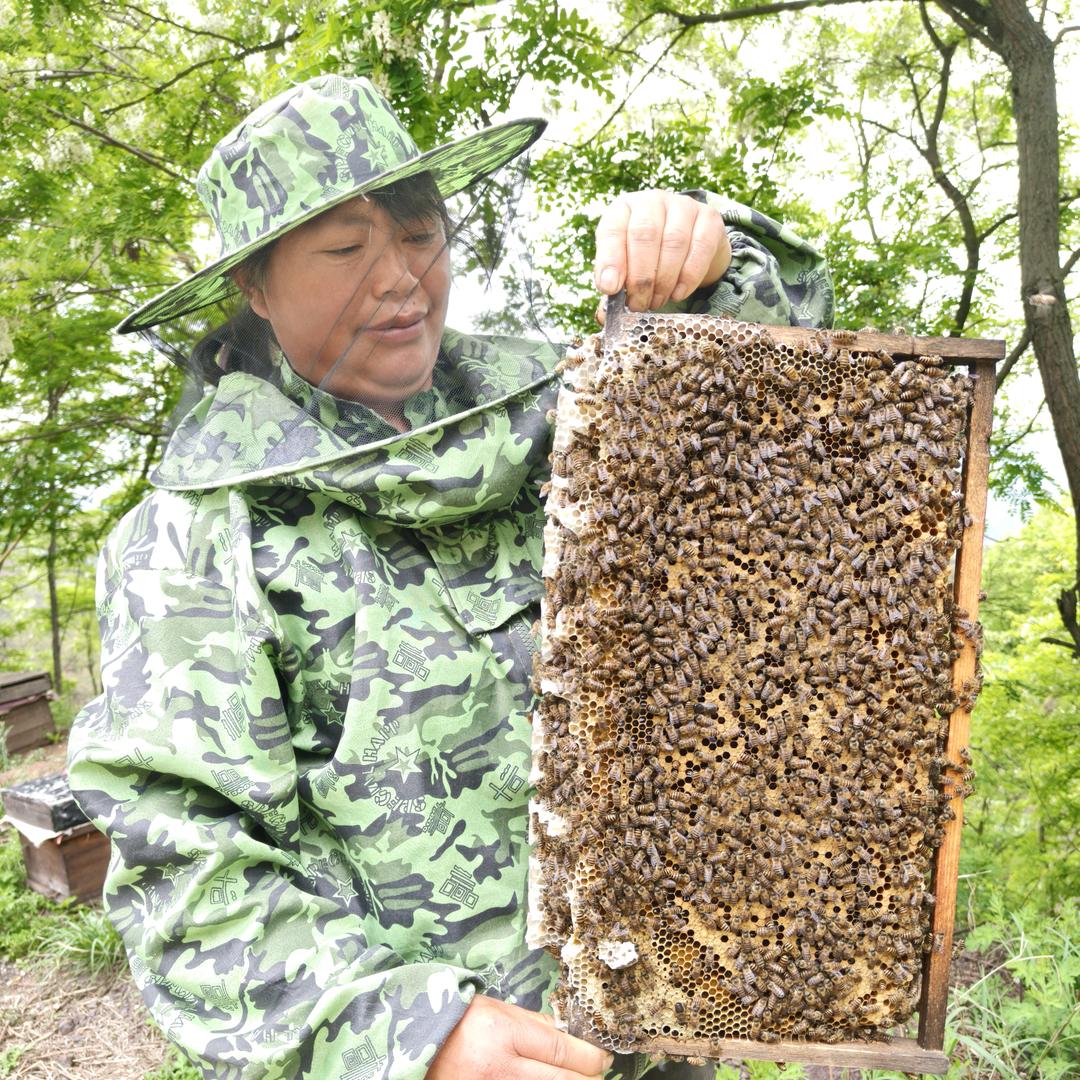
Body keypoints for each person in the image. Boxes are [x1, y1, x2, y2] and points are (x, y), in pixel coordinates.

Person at [67, 74, 833, 1080]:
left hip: (662, 1024)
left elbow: (778, 401)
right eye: (345, 248)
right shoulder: (197, 536)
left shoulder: (574, 410)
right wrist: (408, 1035)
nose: (400, 277)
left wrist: (712, 253)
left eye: (420, 232)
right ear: (255, 286)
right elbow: (185, 881)